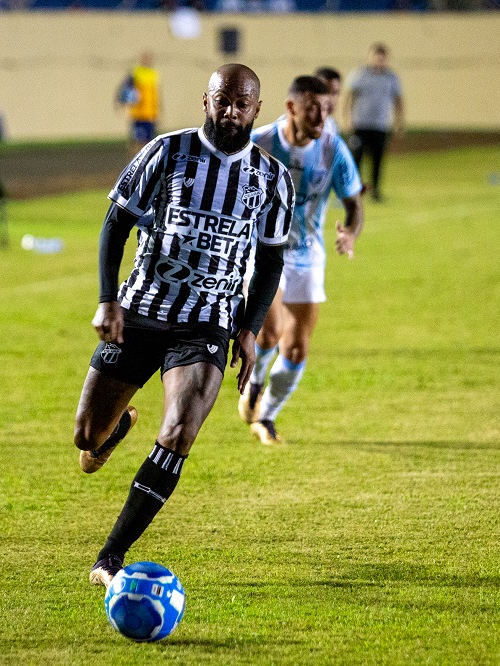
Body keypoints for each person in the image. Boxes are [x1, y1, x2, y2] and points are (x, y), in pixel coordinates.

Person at [74, 63, 294, 587]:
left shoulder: (272, 179)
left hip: (208, 323)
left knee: (178, 432)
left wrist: (249, 326)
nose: (232, 111)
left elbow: (269, 262)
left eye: (242, 104)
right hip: (141, 311)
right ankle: (113, 429)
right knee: (85, 437)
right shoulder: (164, 151)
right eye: (223, 100)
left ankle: (110, 556)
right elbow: (116, 222)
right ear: (206, 100)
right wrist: (108, 301)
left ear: (256, 110)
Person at [240, 75, 364, 445]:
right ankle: (257, 378)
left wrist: (351, 232)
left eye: (327, 110)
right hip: (261, 252)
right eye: (313, 110)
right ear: (291, 108)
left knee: (296, 348)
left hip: (307, 254)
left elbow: (354, 201)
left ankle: (267, 417)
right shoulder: (258, 143)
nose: (322, 118)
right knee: (269, 330)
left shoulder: (332, 148)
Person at [345, 43, 405, 202]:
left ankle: (375, 191)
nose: (379, 61)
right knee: (356, 158)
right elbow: (350, 97)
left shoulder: (391, 77)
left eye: (382, 58)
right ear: (371, 57)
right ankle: (353, 193)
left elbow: (398, 100)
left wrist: (399, 121)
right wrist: (348, 119)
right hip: (360, 124)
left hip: (380, 125)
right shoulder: (360, 74)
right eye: (376, 57)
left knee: (378, 160)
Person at [116, 51, 160, 153]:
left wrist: (158, 112)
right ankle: (135, 164)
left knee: (150, 142)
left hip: (151, 114)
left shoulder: (154, 74)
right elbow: (124, 89)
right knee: (137, 141)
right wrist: (121, 103)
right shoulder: (135, 73)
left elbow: (156, 95)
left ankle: (147, 165)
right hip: (138, 114)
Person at [313, 66, 342, 137]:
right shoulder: (291, 124)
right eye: (325, 91)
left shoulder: (332, 126)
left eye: (335, 93)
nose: (330, 98)